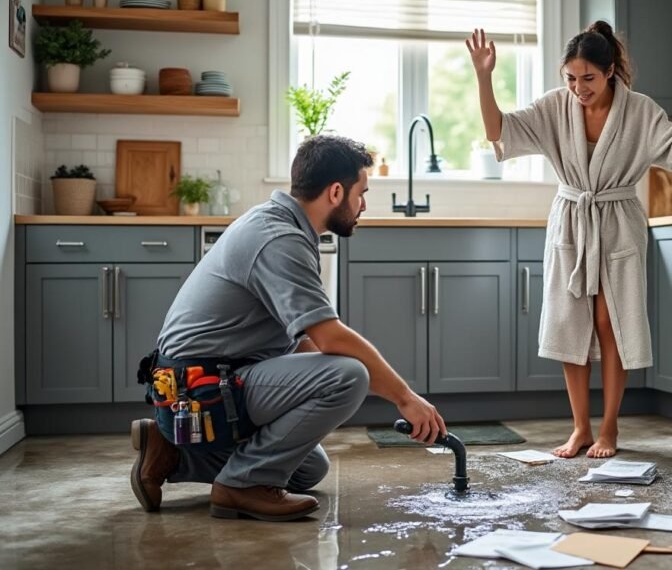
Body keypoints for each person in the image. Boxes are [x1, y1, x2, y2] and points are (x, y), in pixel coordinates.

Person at [129, 135, 448, 521]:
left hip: (202, 387)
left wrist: (319, 377)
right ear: (335, 192)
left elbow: (305, 343)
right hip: (201, 388)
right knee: (348, 376)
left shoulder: (281, 225)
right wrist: (404, 397)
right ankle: (240, 486)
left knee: (308, 468)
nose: (364, 204)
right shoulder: (280, 238)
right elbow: (330, 337)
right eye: (361, 192)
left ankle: (172, 455)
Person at [466, 21, 672, 459]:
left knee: (610, 322)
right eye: (571, 79)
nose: (579, 88)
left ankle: (610, 429)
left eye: (589, 79)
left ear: (611, 70)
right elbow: (498, 131)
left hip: (618, 221)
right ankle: (580, 428)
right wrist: (484, 77)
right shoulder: (554, 108)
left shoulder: (640, 111)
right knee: (570, 324)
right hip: (572, 220)